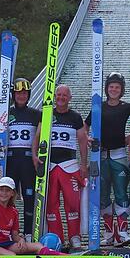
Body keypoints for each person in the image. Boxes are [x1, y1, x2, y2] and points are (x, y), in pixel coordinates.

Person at [34, 84, 88, 249]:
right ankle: (56, 237)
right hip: (49, 165)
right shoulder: (47, 114)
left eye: (65, 95)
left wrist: (84, 164)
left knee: (72, 202)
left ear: (70, 98)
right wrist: (35, 156)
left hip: (69, 165)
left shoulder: (75, 117)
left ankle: (74, 236)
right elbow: (37, 137)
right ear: (54, 96)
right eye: (58, 94)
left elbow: (82, 140)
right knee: (51, 203)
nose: (61, 98)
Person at [0, 77, 41, 242]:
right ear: (13, 94)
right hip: (10, 160)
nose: (21, 96)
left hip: (27, 162)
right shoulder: (5, 113)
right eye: (18, 93)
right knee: (6, 197)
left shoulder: (36, 114)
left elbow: (42, 138)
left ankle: (29, 233)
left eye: (24, 93)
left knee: (29, 196)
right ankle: (7, 232)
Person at [85, 73, 130, 247]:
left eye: (117, 87)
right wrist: (87, 137)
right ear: (106, 88)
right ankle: (108, 234)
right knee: (103, 195)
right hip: (101, 155)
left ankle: (122, 232)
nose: (114, 90)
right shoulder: (98, 106)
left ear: (122, 90)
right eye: (111, 86)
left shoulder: (127, 107)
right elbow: (85, 125)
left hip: (119, 155)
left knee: (121, 192)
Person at [0, 177, 64, 258]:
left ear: (12, 193)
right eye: (1, 190)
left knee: (37, 245)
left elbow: (14, 235)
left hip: (6, 243)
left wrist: (21, 240)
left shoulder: (14, 211)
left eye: (7, 190)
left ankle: (60, 257)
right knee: (12, 256)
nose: (4, 193)